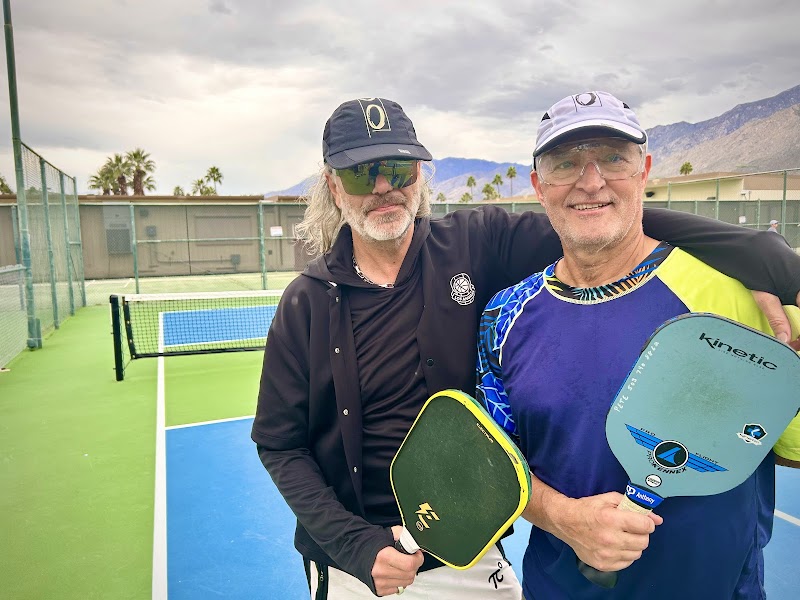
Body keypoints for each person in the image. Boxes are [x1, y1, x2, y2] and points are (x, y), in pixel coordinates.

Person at [252, 96, 800, 599]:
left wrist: (762, 257)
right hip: (368, 562)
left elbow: (603, 216)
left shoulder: (477, 241)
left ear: (419, 174)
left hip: (471, 548)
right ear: (331, 183)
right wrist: (354, 545)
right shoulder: (305, 304)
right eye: (359, 172)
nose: (382, 188)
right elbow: (279, 445)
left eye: (396, 169)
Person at [476, 90, 800, 599]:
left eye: (612, 158)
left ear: (644, 170)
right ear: (540, 187)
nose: (591, 181)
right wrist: (566, 519)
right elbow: (498, 460)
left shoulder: (737, 295)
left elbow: (792, 444)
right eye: (566, 163)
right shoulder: (503, 315)